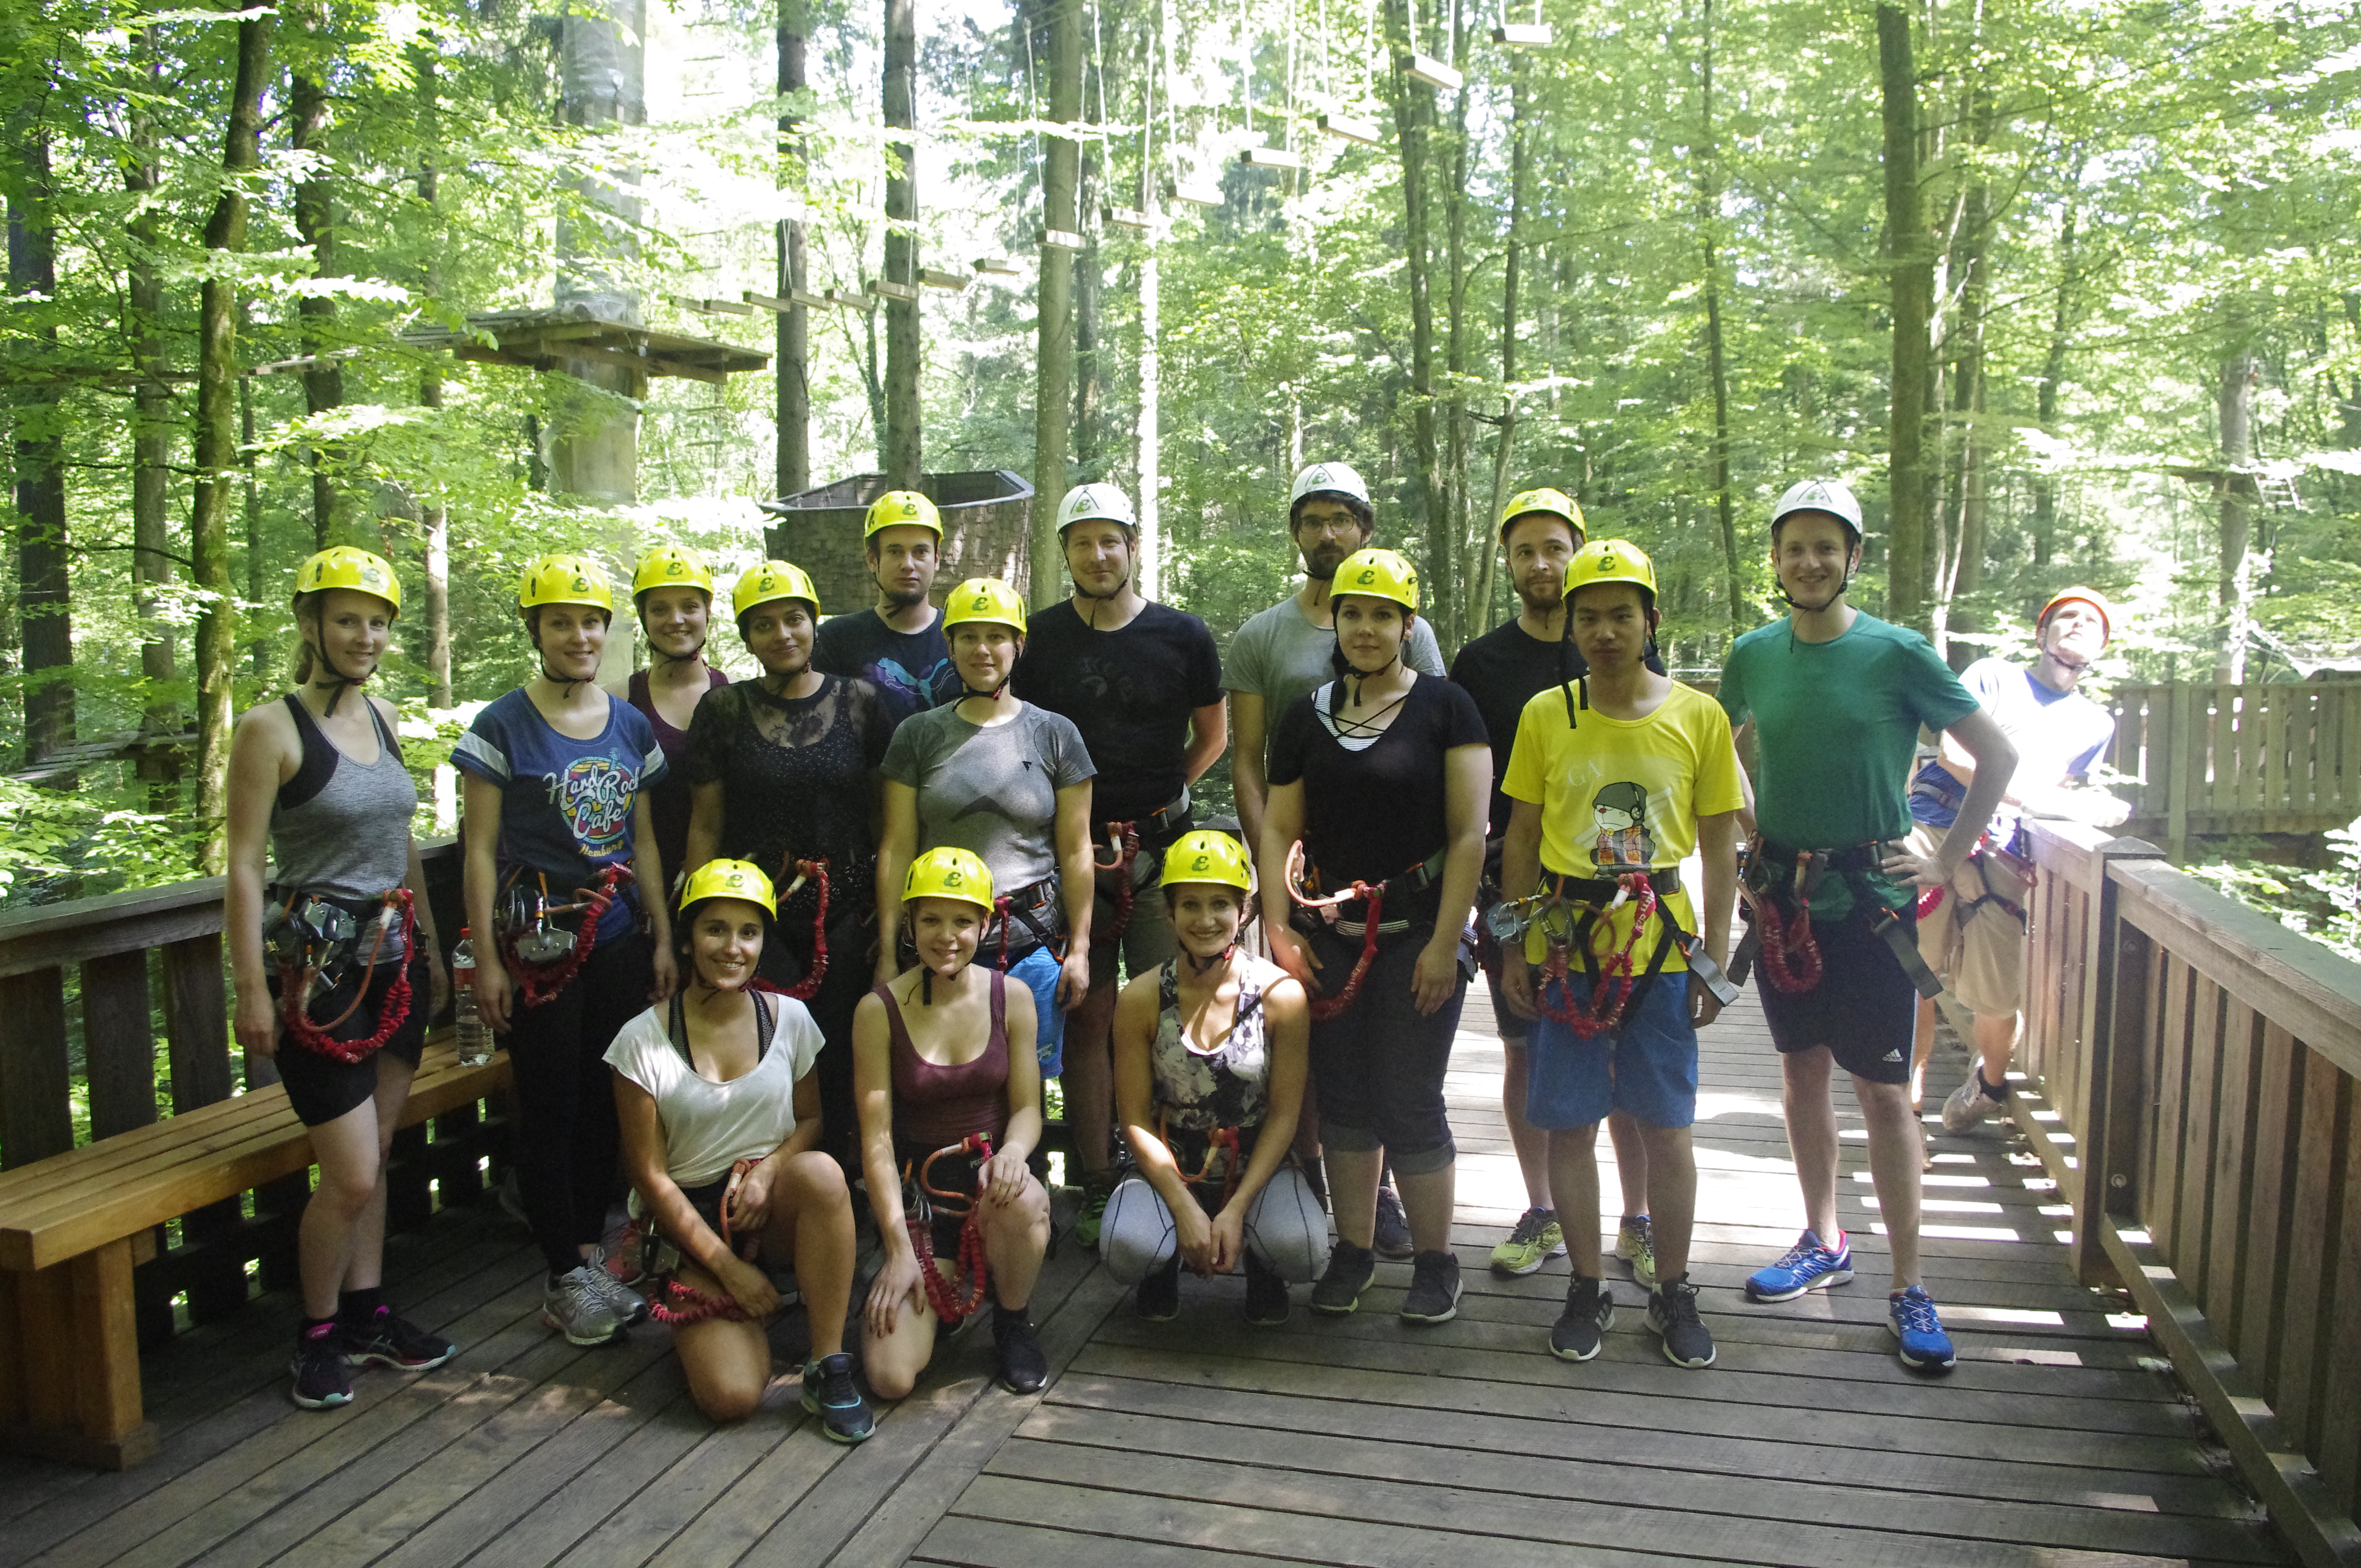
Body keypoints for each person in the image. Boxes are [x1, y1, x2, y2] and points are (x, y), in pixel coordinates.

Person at [1717, 479, 2017, 1374]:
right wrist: (1746, 830)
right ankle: (1822, 1236)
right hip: (1784, 901)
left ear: (1852, 557)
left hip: (1872, 905)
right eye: (1792, 546)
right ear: (1773, 560)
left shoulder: (1895, 653)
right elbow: (1714, 746)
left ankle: (1909, 1282)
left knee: (1884, 1092)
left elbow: (1994, 752)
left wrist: (1946, 858)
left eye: (1825, 546)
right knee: (1799, 1074)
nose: (1807, 561)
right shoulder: (1752, 654)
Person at [1493, 540, 1742, 1370]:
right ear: (1570, 625)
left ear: (1650, 622)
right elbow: (1522, 837)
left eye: (1620, 615)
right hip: (1569, 945)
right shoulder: (1545, 715)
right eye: (1588, 616)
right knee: (1570, 1122)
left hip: (1661, 951)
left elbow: (1718, 841)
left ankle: (1672, 1287)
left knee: (1667, 1126)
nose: (1604, 632)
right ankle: (1587, 1283)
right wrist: (1520, 945)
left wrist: (1717, 950)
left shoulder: (1697, 715)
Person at [226, 547, 456, 1410]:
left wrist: (435, 946)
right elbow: (245, 867)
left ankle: (366, 1315)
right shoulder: (271, 730)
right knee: (352, 1173)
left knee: (381, 1156)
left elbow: (399, 844)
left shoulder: (387, 716)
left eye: (379, 622)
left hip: (396, 964)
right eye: (349, 619)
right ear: (311, 624)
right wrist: (251, 986)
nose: (366, 636)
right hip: (316, 982)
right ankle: (316, 1332)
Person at [1255, 548, 1490, 1325]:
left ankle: (1435, 1262)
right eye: (1353, 613)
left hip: (1419, 929)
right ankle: (1353, 1252)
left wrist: (1443, 942)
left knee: (1410, 1097)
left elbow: (1467, 836)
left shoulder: (1447, 708)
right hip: (1329, 932)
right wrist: (1279, 928)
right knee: (1347, 1099)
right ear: (1336, 620)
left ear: (1407, 626)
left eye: (1382, 615)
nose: (1365, 628)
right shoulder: (1305, 716)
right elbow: (1281, 826)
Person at [455, 554, 679, 1347]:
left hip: (616, 935)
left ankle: (589, 1255)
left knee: (605, 1098)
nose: (579, 635)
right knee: (548, 1102)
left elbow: (643, 842)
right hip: (538, 940)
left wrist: (660, 934)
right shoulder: (501, 726)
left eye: (590, 622)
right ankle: (562, 1273)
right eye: (561, 622)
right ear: (536, 632)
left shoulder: (629, 724)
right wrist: (484, 957)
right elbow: (478, 850)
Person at [1226, 460, 1445, 1255]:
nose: (1327, 532)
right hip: (1300, 878)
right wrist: (1269, 861)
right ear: (1296, 532)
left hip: (1390, 882)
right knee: (1312, 1034)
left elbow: (1433, 745)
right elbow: (1249, 759)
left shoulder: (1409, 628)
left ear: (1366, 530)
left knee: (1393, 1048)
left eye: (1341, 518)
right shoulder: (1262, 637)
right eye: (1312, 519)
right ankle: (1313, 1176)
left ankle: (1382, 1194)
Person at [1451, 486, 1666, 1284]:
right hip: (1517, 874)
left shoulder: (1617, 644)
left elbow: (1654, 762)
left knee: (1618, 1047)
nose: (1542, 564)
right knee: (1523, 1045)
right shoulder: (1482, 663)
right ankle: (1542, 1206)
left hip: (1616, 885)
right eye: (1525, 551)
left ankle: (1637, 1219)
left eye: (1555, 547)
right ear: (1507, 563)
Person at [1012, 483, 1227, 1248]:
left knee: (1174, 1007)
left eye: (1112, 540)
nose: (1098, 555)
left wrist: (1163, 800)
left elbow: (1212, 737)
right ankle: (1099, 1176)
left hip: (1166, 851)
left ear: (1134, 546)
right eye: (1082, 541)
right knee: (1090, 1011)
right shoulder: (1037, 641)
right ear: (1065, 552)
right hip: (1072, 850)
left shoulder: (1183, 635)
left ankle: (1178, 1166)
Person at [607, 859, 873, 1439]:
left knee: (824, 1174)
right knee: (730, 1398)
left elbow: (810, 1120)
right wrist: (727, 1268)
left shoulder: (791, 1019)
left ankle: (828, 1363)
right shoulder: (641, 1041)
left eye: (748, 932)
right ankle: (719, 1315)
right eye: (715, 929)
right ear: (687, 937)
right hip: (694, 1226)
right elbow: (650, 1178)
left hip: (770, 1201)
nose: (732, 947)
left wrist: (769, 1169)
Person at [683, 561, 894, 1167]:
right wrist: (691, 926)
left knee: (842, 1057)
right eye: (765, 624)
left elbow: (887, 821)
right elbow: (705, 824)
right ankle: (759, 1185)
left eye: (794, 619)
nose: (783, 634)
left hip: (845, 913)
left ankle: (845, 1192)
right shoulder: (722, 710)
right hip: (752, 919)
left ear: (813, 624)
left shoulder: (862, 703)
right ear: (747, 637)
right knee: (761, 1054)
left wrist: (886, 925)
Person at [1908, 586, 2128, 1126]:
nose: (2078, 626)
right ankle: (1906, 1118)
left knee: (1997, 992)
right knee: (1916, 975)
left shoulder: (2096, 724)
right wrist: (2042, 798)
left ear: (2101, 645)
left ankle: (1988, 1085)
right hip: (1937, 825)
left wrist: (2058, 803)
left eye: (2091, 623)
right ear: (2041, 632)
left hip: (2004, 848)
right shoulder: (1993, 677)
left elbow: (2055, 780)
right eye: (2067, 617)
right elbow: (1957, 754)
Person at [877, 578, 1095, 1086]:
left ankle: (1025, 1168)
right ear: (949, 646)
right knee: (936, 1077)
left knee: (1027, 1086)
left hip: (1031, 938)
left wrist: (1080, 948)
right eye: (968, 637)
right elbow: (897, 847)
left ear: (1018, 645)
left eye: (996, 636)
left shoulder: (1055, 734)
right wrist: (888, 951)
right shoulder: (918, 735)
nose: (982, 650)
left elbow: (1076, 848)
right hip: (940, 941)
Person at [1100, 831, 1324, 1322]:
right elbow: (1134, 1118)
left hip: (1255, 1164)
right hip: (1170, 1161)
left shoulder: (1279, 996)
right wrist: (1182, 1206)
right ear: (1170, 913)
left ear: (1243, 911)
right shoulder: (1140, 999)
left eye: (1220, 904)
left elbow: (1285, 1114)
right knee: (1126, 1249)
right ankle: (1160, 1268)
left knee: (1304, 1249)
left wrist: (1238, 1206)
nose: (1206, 920)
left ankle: (1267, 1270)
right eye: (1191, 905)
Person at [855, 848, 1054, 1398]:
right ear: (911, 923)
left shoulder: (1010, 997)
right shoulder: (878, 1010)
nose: (947, 935)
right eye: (932, 919)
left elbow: (1027, 1108)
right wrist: (897, 1246)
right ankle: (942, 1297)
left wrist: (1014, 1152)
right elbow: (875, 1140)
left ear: (985, 925)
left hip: (994, 1190)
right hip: (925, 1209)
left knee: (1023, 1198)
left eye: (963, 920)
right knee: (891, 1377)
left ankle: (1012, 1320)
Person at [608, 545, 731, 891]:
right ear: (643, 616)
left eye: (689, 607)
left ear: (708, 611)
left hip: (730, 889)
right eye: (660, 609)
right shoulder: (616, 700)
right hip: (640, 889)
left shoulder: (741, 695)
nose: (676, 619)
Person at [812, 489, 961, 726]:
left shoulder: (964, 638)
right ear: (872, 560)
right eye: (895, 551)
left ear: (937, 559)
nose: (908, 564)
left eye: (920, 552)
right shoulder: (835, 642)